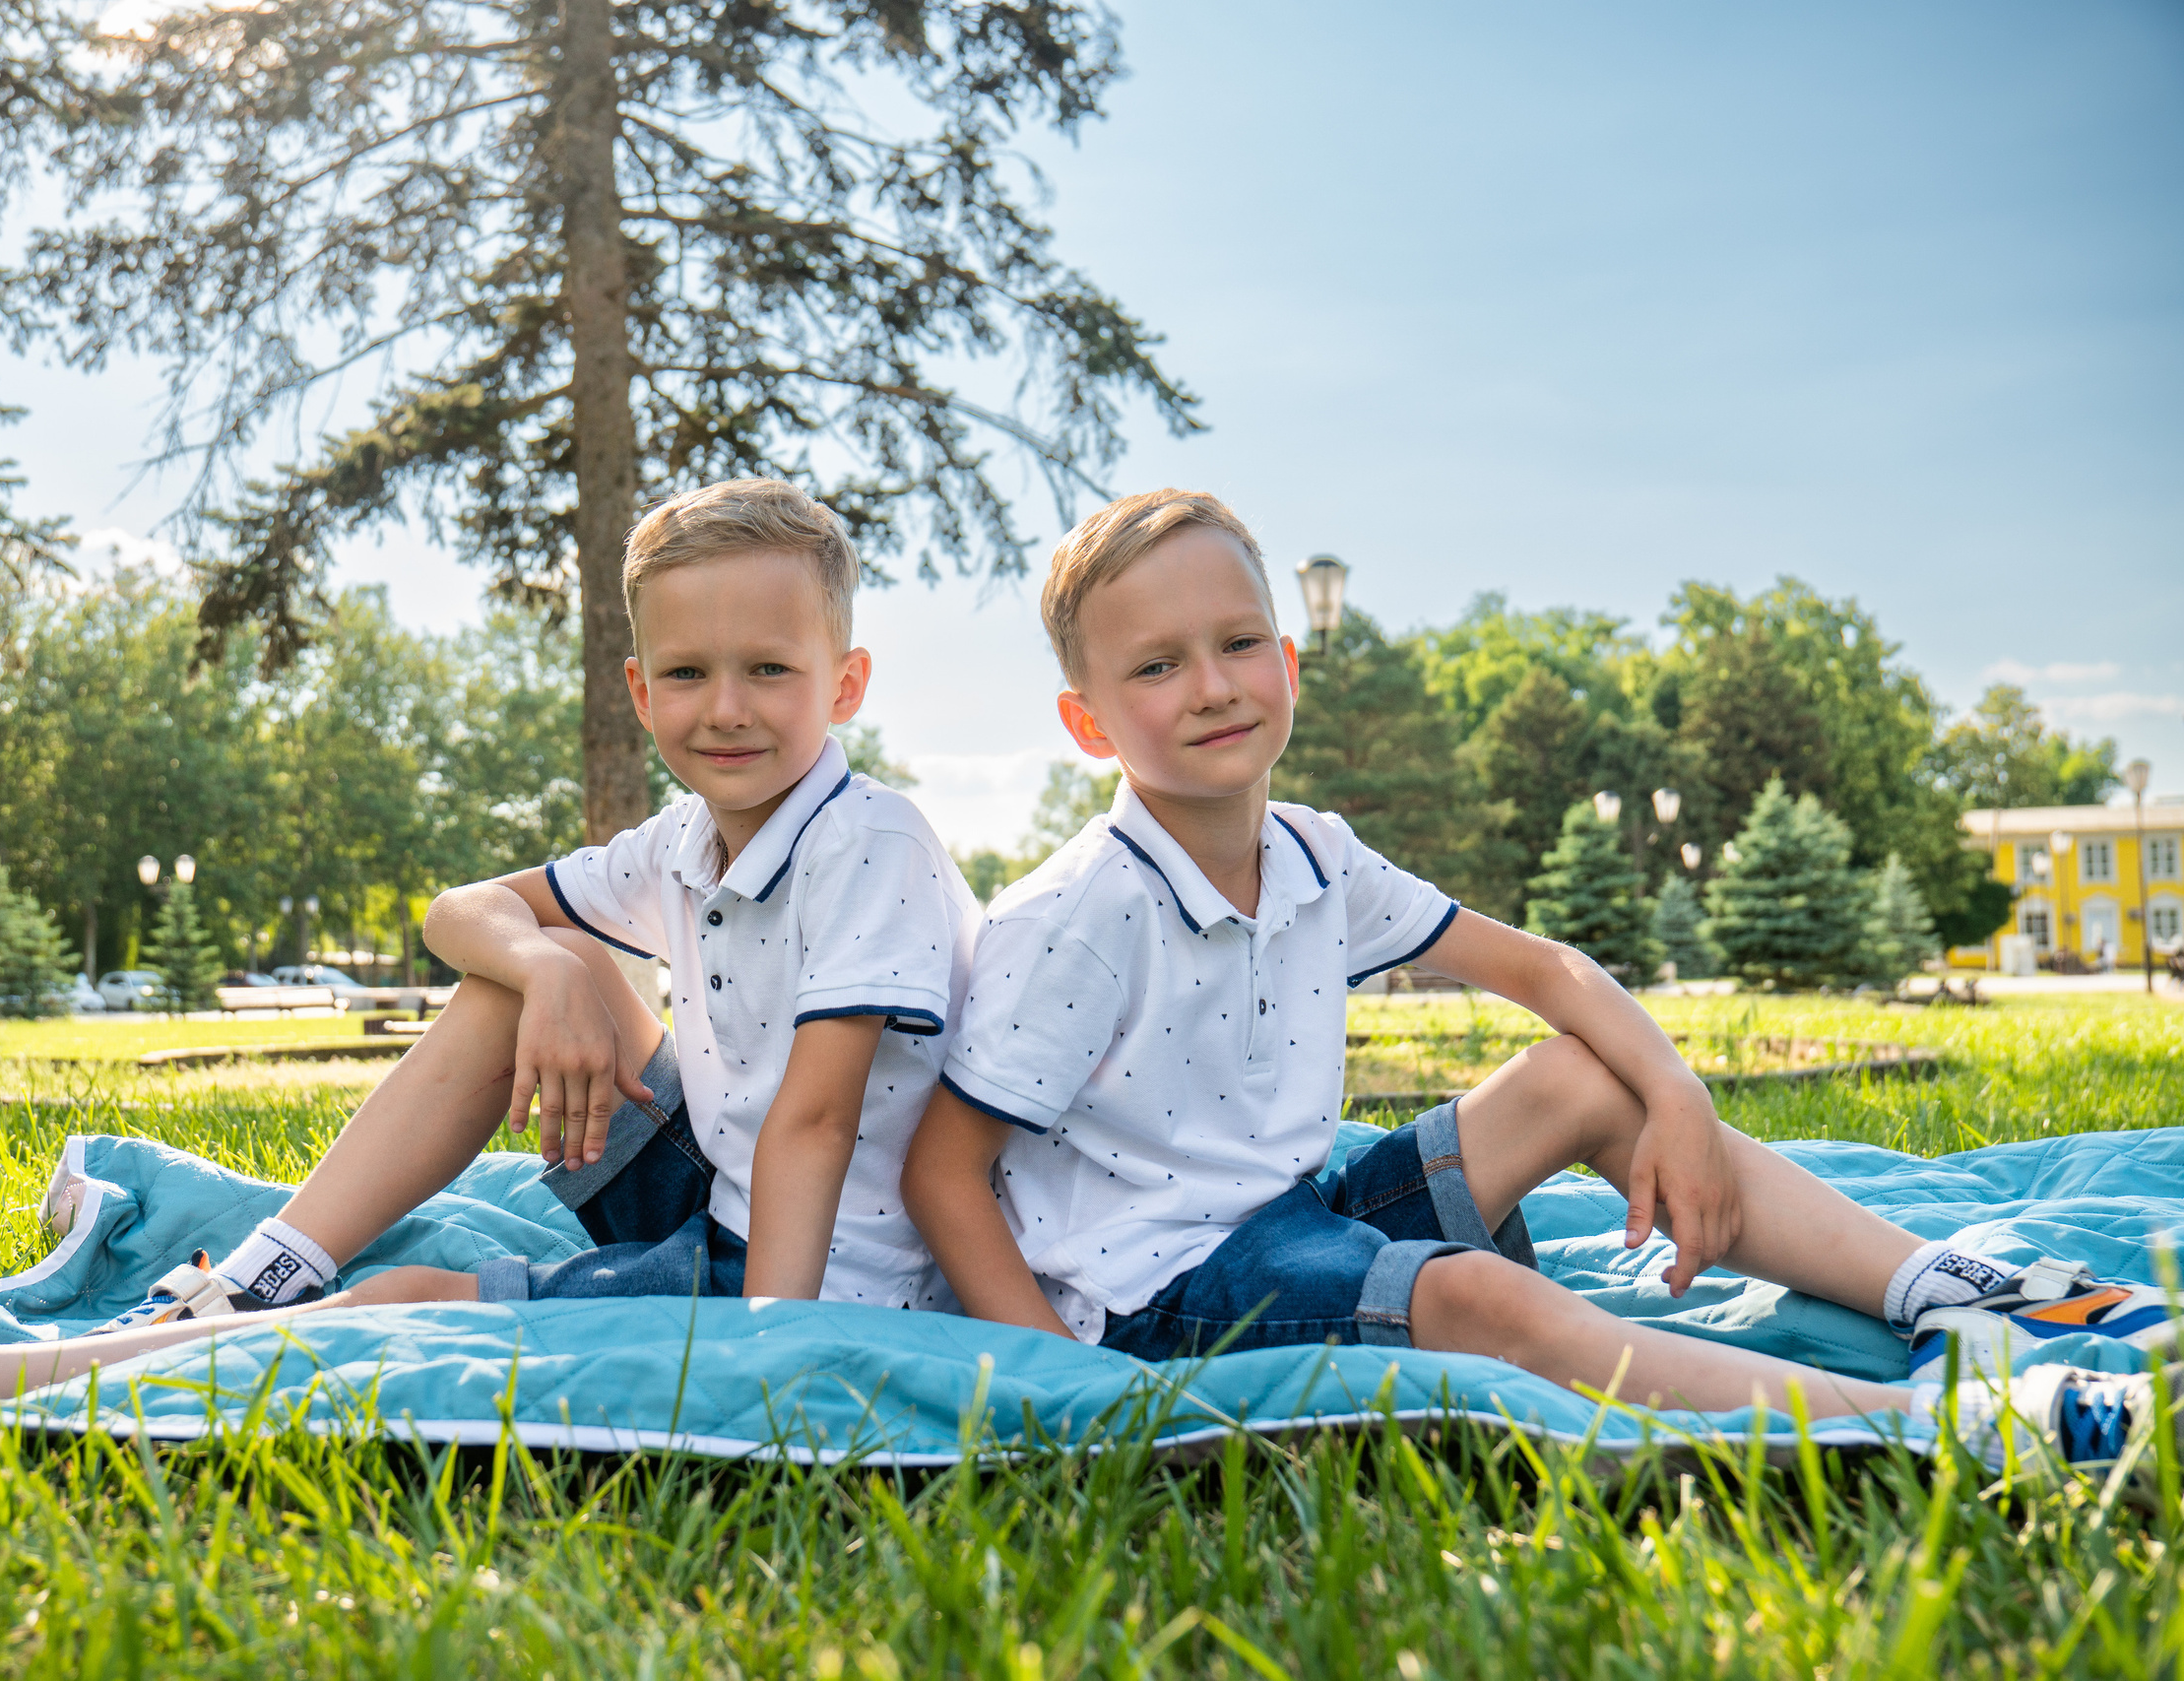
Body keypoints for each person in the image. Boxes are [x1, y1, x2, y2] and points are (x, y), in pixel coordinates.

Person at [899, 487, 2179, 1475]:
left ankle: (1951, 1291)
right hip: (1162, 1302)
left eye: (1237, 644)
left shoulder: (1313, 854)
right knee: (1479, 1296)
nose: (1213, 686)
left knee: (1583, 1077)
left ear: (1287, 664)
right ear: (1088, 720)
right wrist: (1074, 1387)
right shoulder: (1081, 916)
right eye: (1156, 665)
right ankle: (1931, 1424)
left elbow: (1547, 970)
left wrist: (1674, 1095)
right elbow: (945, 1173)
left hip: (1302, 1216)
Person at [0, 479, 980, 1432]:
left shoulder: (871, 842)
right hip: (727, 1199)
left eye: (770, 669)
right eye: (690, 674)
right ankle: (264, 1278)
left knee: (404, 1299)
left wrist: (769, 1356)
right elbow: (459, 910)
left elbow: (817, 1123)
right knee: (524, 961)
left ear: (846, 683)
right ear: (642, 693)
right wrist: (551, 969)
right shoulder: (687, 839)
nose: (728, 708)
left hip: (818, 1273)